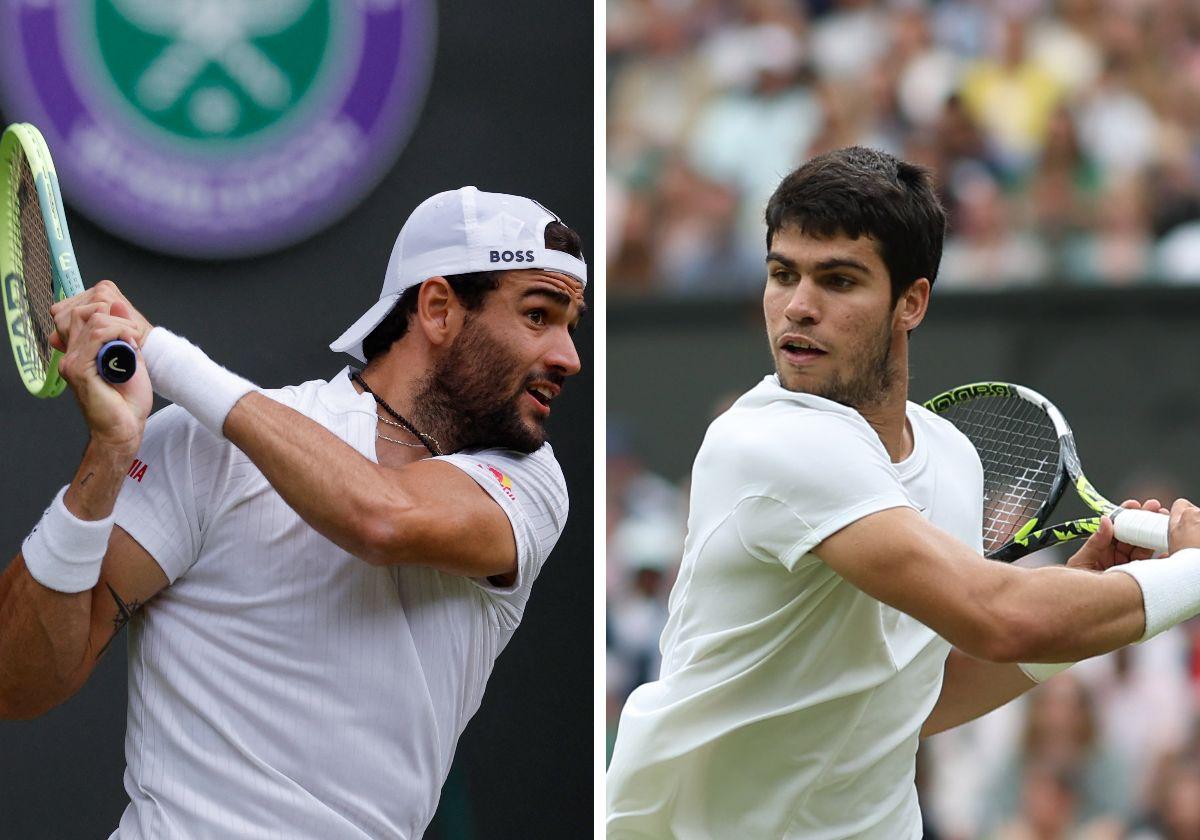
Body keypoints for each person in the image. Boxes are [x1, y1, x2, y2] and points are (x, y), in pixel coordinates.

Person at [605, 146, 1200, 838]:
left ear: (910, 301)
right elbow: (996, 615)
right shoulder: (763, 444)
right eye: (781, 273)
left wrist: (1083, 601)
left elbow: (910, 699)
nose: (798, 307)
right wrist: (1189, 576)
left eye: (838, 280)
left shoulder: (951, 457)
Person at [0, 186, 587, 838]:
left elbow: (381, 519)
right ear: (440, 308)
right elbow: (16, 683)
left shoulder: (531, 482)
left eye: (570, 325)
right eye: (539, 316)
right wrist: (109, 455)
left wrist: (161, 355)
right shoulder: (200, 446)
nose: (569, 357)